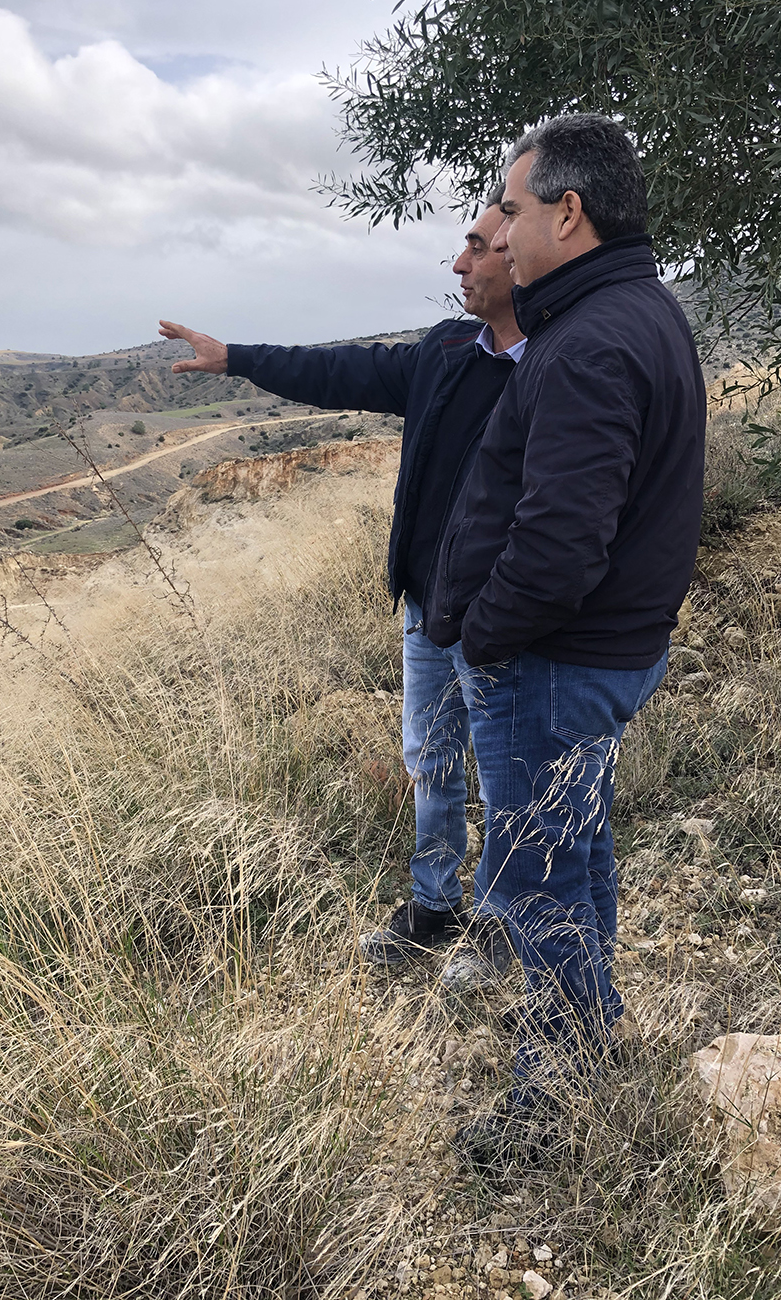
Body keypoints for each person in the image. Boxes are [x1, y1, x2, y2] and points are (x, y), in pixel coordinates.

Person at [423, 114, 707, 1165]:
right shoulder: (637, 312)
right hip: (598, 657)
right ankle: (593, 1043)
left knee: (535, 878)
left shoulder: (587, 341)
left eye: (508, 205)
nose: (498, 226)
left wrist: (480, 640)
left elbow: (554, 549)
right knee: (573, 855)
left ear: (566, 212)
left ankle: (555, 1108)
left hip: (555, 663)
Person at [159, 189, 524, 987]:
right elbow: (341, 370)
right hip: (428, 609)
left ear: (520, 254)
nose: (459, 264)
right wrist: (239, 357)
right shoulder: (448, 350)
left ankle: (502, 930)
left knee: (506, 778)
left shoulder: (558, 370)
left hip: (502, 621)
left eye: (477, 248)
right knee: (431, 761)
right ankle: (434, 907)